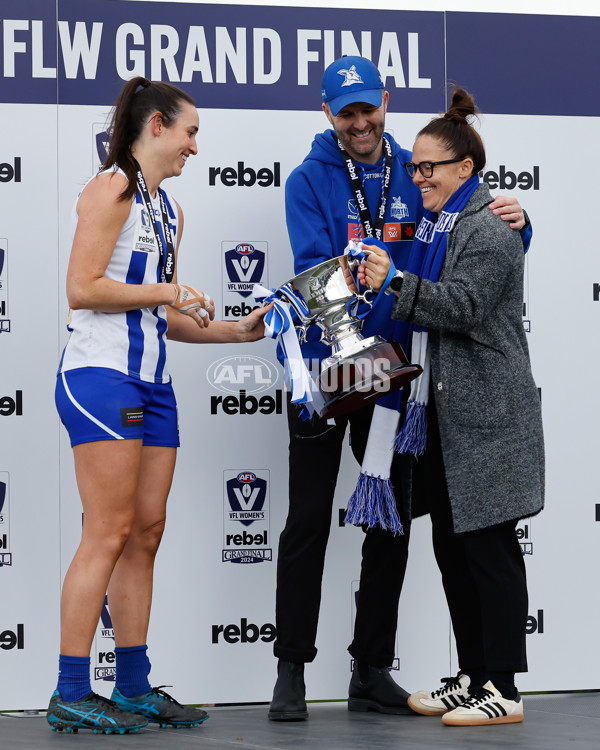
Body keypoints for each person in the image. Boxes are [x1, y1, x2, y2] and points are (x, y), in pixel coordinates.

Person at [268, 55, 531, 721]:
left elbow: (471, 248)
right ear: (328, 114)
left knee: (389, 526)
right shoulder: (309, 179)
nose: (360, 122)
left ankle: (370, 669)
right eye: (346, 111)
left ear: (384, 101)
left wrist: (523, 227)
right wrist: (353, 346)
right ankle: (291, 671)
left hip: (397, 377)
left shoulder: (418, 172)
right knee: (306, 521)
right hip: (328, 370)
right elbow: (313, 272)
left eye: (368, 108)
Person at [48, 77, 269, 735]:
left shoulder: (169, 210)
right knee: (108, 532)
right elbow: (82, 288)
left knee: (145, 532)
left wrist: (232, 331)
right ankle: (68, 689)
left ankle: (136, 685)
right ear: (155, 127)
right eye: (190, 132)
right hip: (101, 377)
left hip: (155, 381)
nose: (195, 147)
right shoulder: (111, 187)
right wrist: (170, 288)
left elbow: (157, 310)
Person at [369, 86, 544, 726]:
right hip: (447, 417)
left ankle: (500, 688)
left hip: (488, 419)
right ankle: (473, 675)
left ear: (464, 169)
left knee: (490, 554)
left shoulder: (490, 229)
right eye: (414, 168)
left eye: (428, 168)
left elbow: (464, 307)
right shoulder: (445, 225)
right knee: (452, 549)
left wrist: (393, 281)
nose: (418, 178)